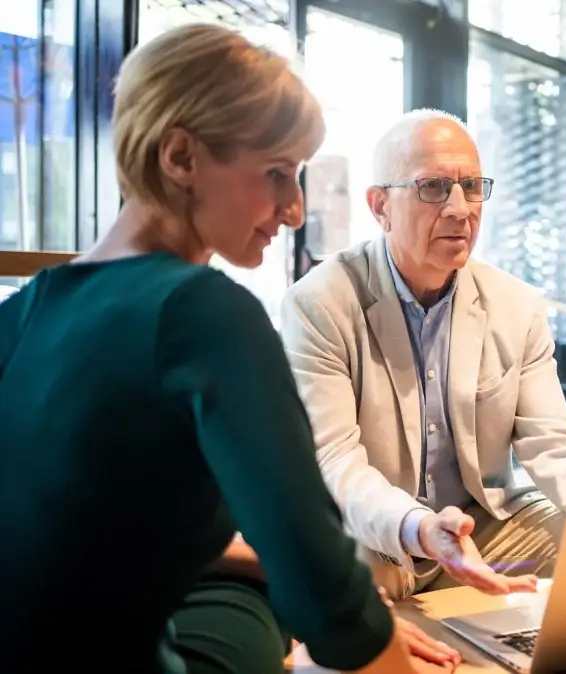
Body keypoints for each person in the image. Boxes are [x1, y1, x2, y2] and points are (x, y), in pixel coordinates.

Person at [0, 23, 427, 674]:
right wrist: (370, 636)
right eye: (278, 174)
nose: (294, 210)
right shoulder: (203, 310)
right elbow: (326, 594)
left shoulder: (26, 311)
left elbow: (81, 534)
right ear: (180, 157)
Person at [280, 108, 566, 600]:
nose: (459, 208)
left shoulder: (515, 305)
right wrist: (418, 526)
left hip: (488, 530)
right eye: (433, 187)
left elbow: (554, 443)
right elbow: (336, 462)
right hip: (377, 534)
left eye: (471, 186)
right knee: (343, 584)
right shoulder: (320, 303)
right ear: (379, 205)